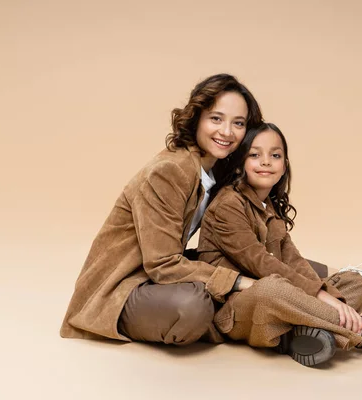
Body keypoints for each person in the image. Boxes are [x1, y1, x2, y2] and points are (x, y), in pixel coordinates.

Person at [197, 122, 362, 366]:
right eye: (255, 155)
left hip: (282, 306)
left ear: (284, 166)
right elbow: (261, 264)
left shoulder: (268, 207)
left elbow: (293, 260)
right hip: (239, 310)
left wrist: (330, 295)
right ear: (241, 162)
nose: (266, 162)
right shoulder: (229, 205)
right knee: (272, 288)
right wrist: (322, 296)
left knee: (353, 282)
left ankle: (300, 335)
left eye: (275, 155)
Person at [60, 73, 263, 345]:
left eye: (238, 123)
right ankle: (263, 322)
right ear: (197, 118)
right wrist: (237, 281)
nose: (227, 132)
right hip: (123, 288)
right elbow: (162, 265)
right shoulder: (169, 171)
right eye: (216, 119)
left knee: (270, 270)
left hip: (163, 278)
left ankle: (302, 310)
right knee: (193, 306)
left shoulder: (216, 171)